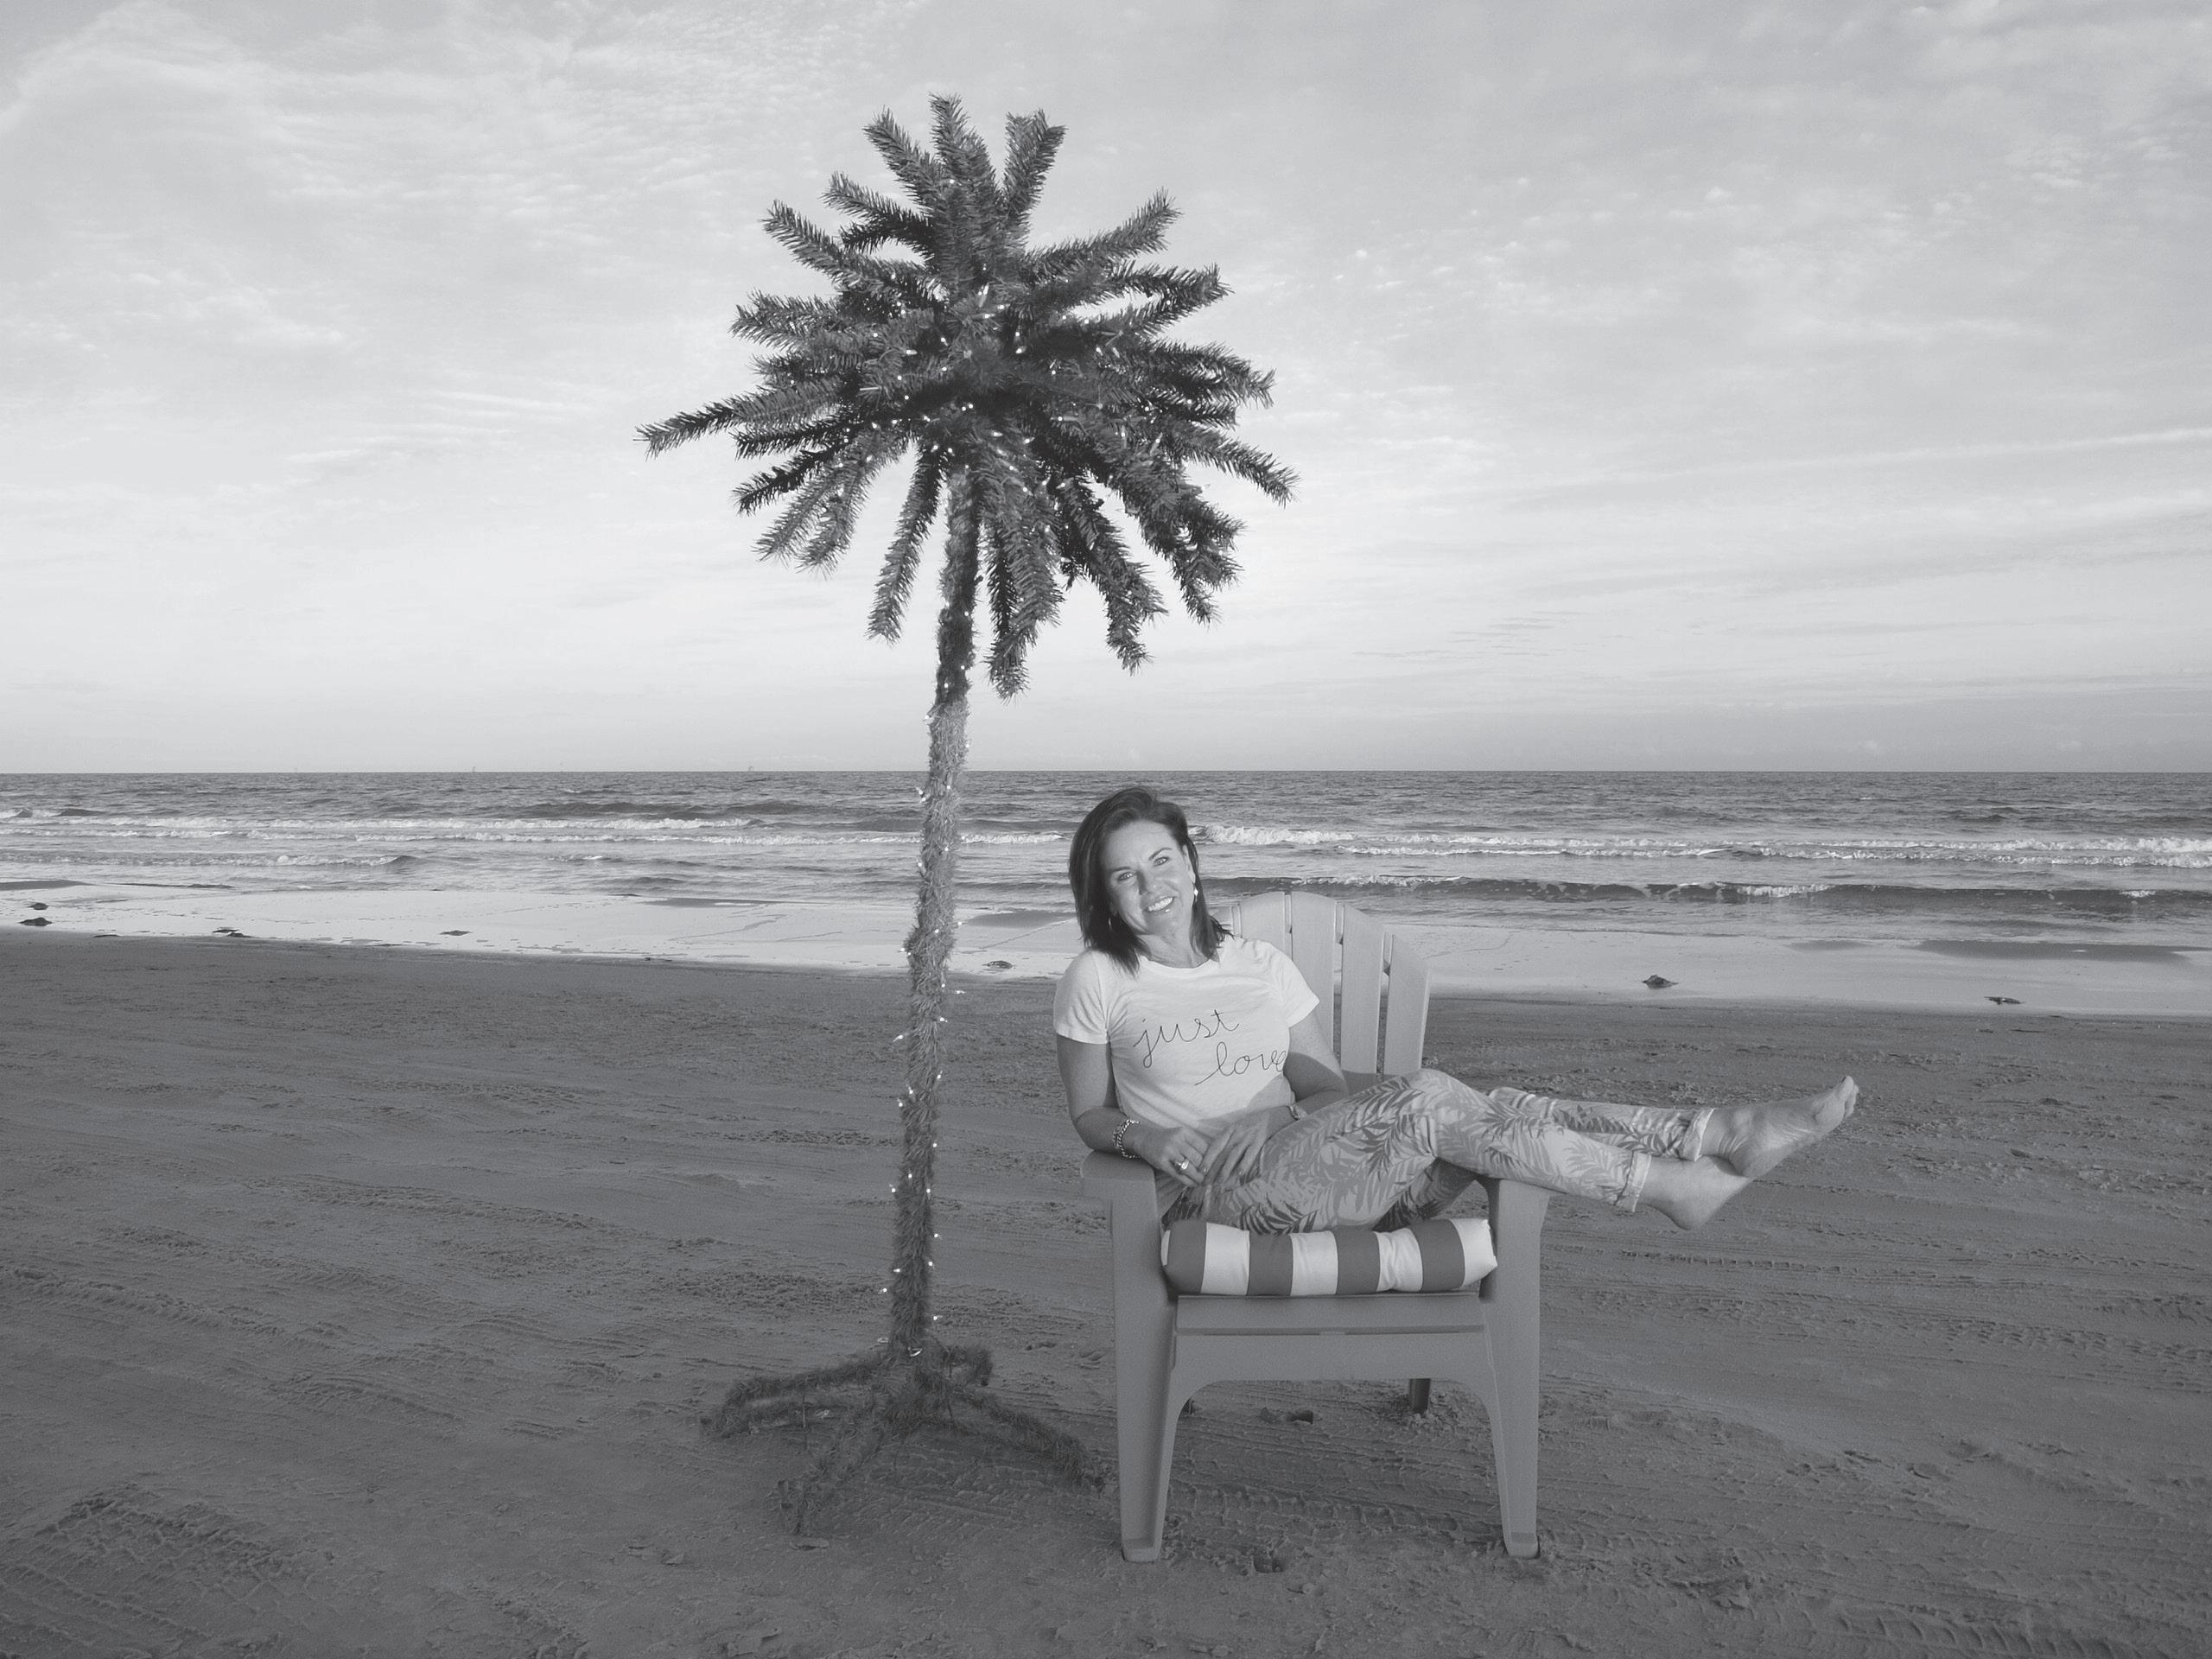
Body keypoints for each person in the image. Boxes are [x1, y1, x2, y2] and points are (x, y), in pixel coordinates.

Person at [1054, 785, 1857, 1233]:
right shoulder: (1098, 978)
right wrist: (1148, 1137)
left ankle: (1697, 1146)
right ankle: (1687, 1159)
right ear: (1106, 895)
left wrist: (1267, 1119)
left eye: (1162, 860)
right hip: (1213, 1202)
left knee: (1490, 1109)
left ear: (1192, 865)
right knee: (1437, 1095)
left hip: (1348, 1181)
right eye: (1125, 876)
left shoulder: (1260, 965)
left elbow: (1325, 1090)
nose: (1151, 886)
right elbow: (1089, 1114)